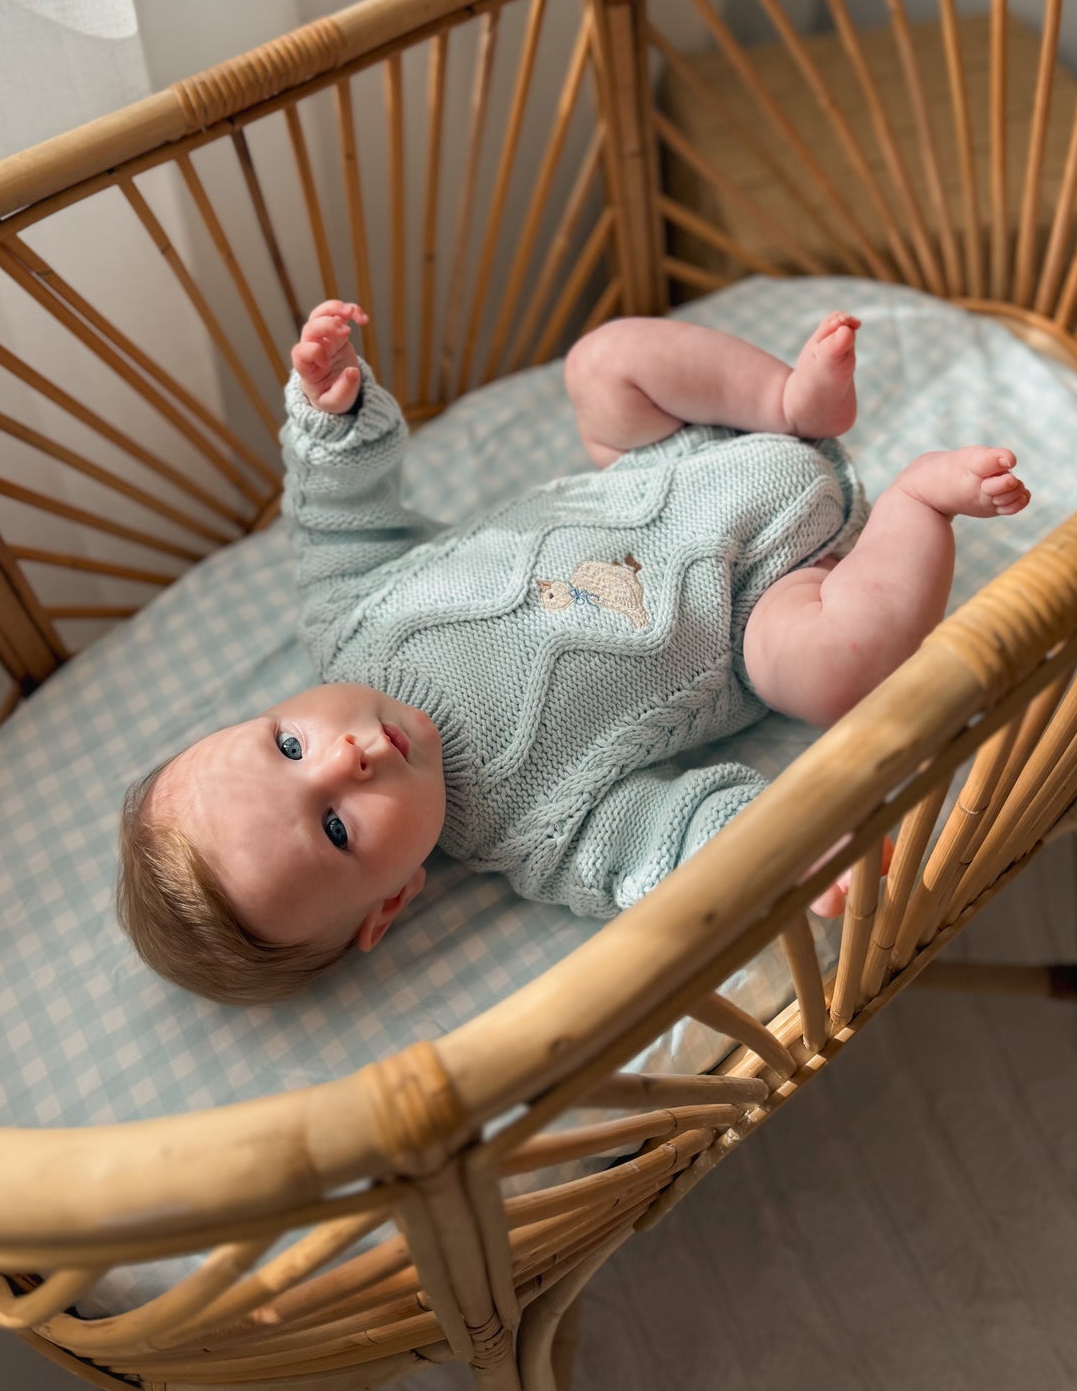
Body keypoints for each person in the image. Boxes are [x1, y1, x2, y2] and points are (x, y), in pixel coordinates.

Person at [117, 298, 1029, 1003]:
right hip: (778, 590)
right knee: (831, 672)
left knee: (604, 364)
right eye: (337, 828)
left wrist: (332, 414)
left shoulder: (347, 618)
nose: (344, 760)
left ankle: (787, 397)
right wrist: (789, 854)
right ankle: (918, 504)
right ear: (390, 903)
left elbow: (335, 508)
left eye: (288, 746)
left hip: (671, 455)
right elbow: (671, 844)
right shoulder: (534, 834)